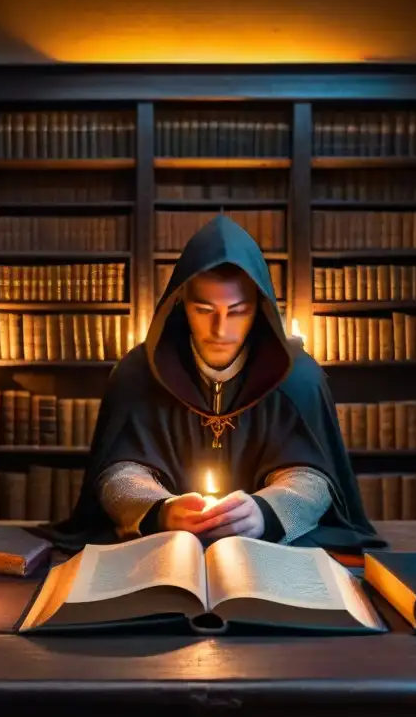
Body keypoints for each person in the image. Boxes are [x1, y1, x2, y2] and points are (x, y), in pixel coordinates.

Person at [47, 215, 385, 552]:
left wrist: (266, 513)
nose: (220, 330)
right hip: (162, 555)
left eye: (237, 311)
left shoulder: (298, 377)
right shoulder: (138, 373)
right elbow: (117, 473)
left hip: (272, 559)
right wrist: (159, 510)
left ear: (259, 308)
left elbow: (314, 479)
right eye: (204, 309)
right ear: (181, 303)